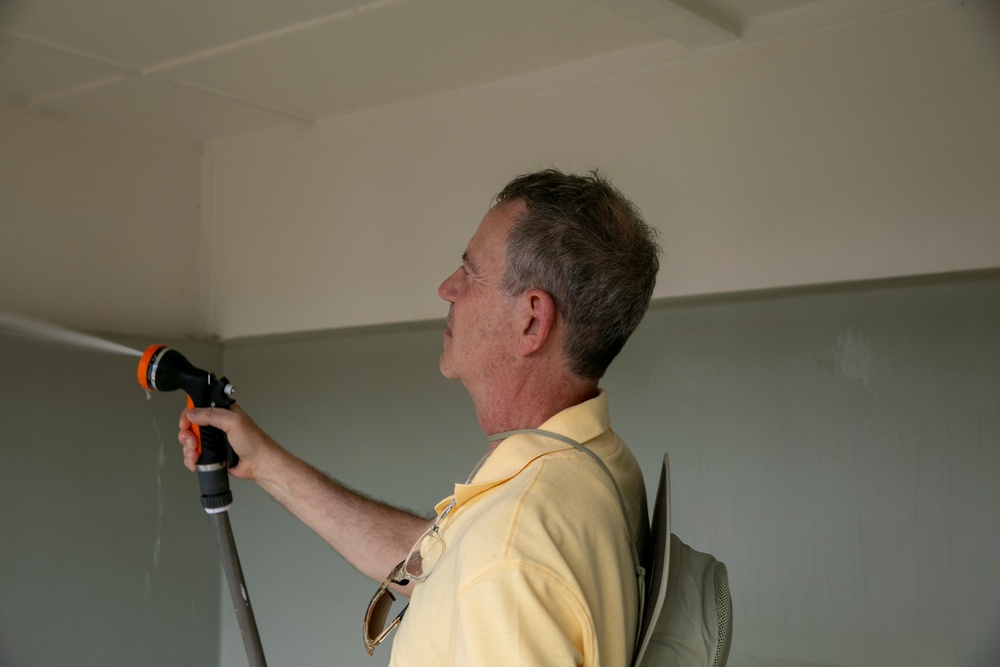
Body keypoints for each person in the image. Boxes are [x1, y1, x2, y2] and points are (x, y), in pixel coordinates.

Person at [178, 168, 661, 666]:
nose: (446, 288)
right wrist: (265, 463)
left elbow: (494, 561)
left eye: (470, 273)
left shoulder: (511, 546)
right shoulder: (593, 463)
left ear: (532, 320)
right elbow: (444, 561)